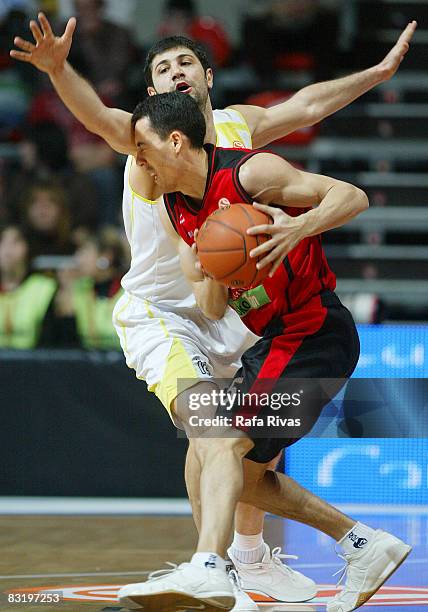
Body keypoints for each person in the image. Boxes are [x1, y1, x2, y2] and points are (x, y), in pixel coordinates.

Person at [10, 14, 416, 612]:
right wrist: (58, 70)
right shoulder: (146, 146)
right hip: (164, 312)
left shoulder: (238, 140)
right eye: (161, 68)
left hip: (243, 316)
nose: (174, 72)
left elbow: (306, 106)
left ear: (206, 76)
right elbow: (96, 116)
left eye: (184, 64)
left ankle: (248, 560)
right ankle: (221, 564)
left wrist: (377, 73)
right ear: (151, 94)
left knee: (238, 447)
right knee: (215, 435)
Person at [124, 90, 411, 611]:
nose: (137, 162)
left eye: (142, 149)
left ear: (174, 141)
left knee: (221, 440)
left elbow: (352, 196)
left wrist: (296, 225)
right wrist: (210, 268)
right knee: (211, 455)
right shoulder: (175, 208)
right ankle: (363, 544)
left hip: (314, 331)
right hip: (277, 341)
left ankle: (212, 567)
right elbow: (213, 309)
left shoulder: (247, 175)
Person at [0, 224, 56, 349]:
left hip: (33, 365)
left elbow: (52, 343)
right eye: (2, 241)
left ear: (28, 247)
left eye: (15, 241)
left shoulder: (44, 287)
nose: (7, 250)